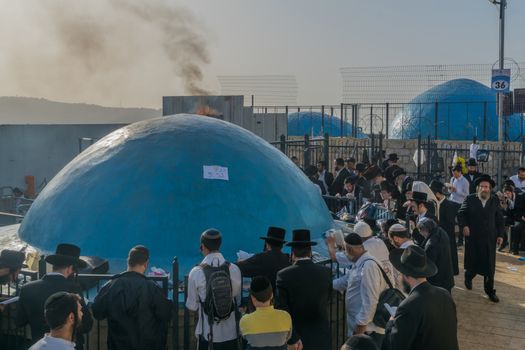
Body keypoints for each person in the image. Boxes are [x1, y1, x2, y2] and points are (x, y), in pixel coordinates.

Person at [92, 245, 172, 350]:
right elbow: (166, 314)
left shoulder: (111, 286)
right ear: (146, 263)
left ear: (128, 261)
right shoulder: (152, 288)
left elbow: (97, 312)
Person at [17, 243, 93, 349]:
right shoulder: (73, 289)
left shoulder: (27, 288)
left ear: (54, 265)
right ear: (70, 268)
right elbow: (86, 325)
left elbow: (20, 321)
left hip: (39, 345)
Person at [383, 245, 459, 350]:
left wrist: (391, 322)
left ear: (405, 275)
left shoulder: (408, 306)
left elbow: (395, 346)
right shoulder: (445, 294)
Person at [275, 229, 332, 350]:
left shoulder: (283, 275)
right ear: (310, 252)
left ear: (293, 253)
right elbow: (328, 299)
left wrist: (292, 338)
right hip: (321, 337)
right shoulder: (326, 272)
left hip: (297, 340)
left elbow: (282, 310)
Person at [186, 229, 242, 350]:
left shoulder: (196, 272)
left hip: (208, 335)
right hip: (231, 333)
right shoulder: (234, 269)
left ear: (202, 246)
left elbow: (192, 306)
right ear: (219, 245)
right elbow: (237, 300)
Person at [457, 174, 505, 302]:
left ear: (490, 189)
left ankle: (490, 291)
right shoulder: (470, 199)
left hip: (490, 239)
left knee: (489, 267)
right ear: (478, 188)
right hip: (473, 239)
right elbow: (461, 214)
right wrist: (464, 226)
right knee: (473, 265)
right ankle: (468, 277)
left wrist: (500, 235)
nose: (485, 189)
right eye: (482, 186)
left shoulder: (494, 200)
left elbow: (500, 219)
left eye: (487, 187)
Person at [341, 233, 388, 346]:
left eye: (345, 251)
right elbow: (344, 281)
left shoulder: (368, 266)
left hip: (368, 330)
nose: (345, 254)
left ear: (350, 250)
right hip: (363, 329)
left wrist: (360, 329)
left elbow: (370, 300)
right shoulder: (360, 263)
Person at [239, 276, 292, 350]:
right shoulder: (285, 316)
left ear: (253, 298)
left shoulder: (244, 320)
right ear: (272, 295)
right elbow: (287, 338)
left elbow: (244, 337)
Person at [237, 227, 290, 291]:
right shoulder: (288, 259)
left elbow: (238, 268)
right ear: (282, 245)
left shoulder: (262, 257)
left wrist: (240, 262)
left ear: (267, 244)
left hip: (264, 298)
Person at [416, 218, 455, 293]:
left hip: (438, 281)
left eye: (420, 231)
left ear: (424, 230)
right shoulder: (441, 231)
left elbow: (429, 264)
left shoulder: (431, 244)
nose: (421, 234)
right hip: (447, 275)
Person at [430, 180, 460, 275]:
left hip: (446, 239)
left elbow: (451, 224)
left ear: (438, 194)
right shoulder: (431, 205)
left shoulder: (450, 205)